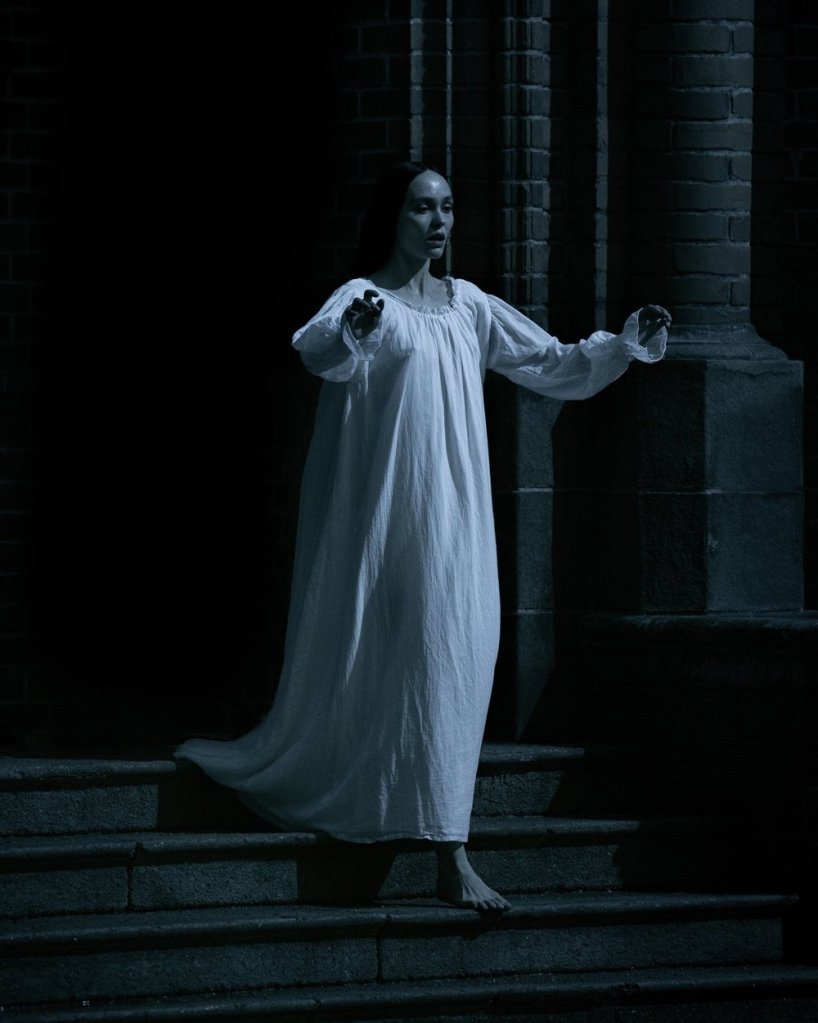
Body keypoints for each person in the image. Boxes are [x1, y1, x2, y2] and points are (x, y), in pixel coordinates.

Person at [176, 160, 670, 913]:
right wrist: (353, 333)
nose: (437, 222)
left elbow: (549, 361)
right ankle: (432, 843)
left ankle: (449, 844)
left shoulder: (468, 306)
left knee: (458, 653)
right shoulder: (365, 299)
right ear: (393, 218)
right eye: (421, 208)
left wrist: (622, 345)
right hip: (386, 518)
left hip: (456, 520)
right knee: (398, 658)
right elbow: (318, 351)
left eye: (446, 208)